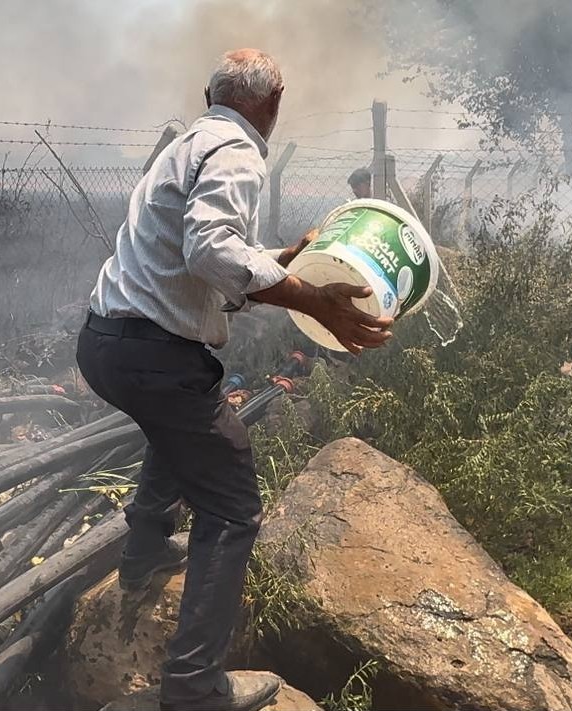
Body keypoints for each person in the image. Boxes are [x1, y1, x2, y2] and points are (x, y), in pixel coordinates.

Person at [76, 49, 392, 711]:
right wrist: (315, 299)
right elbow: (210, 249)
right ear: (272, 104)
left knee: (182, 423)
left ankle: (143, 553)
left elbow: (203, 250)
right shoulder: (239, 149)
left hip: (108, 340)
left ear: (209, 92)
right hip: (153, 353)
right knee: (232, 505)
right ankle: (194, 690)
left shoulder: (191, 140)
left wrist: (281, 260)